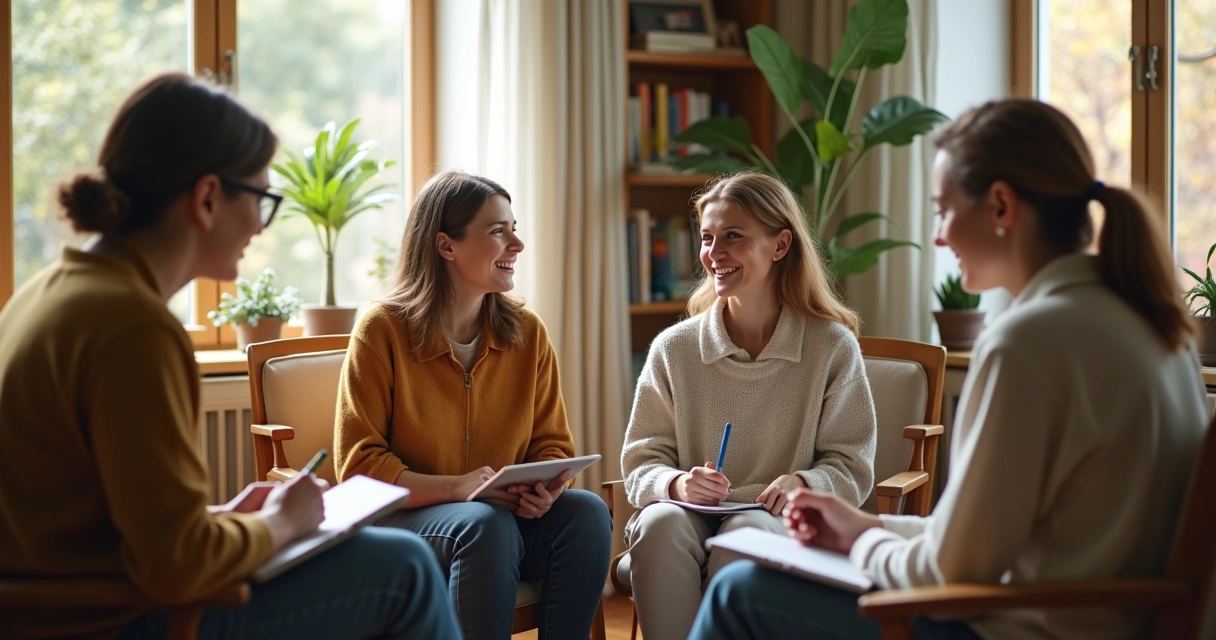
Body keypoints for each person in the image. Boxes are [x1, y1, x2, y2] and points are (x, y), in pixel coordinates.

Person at [688, 99, 1208, 640]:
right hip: (1096, 615)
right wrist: (871, 523)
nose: (938, 236)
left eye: (943, 209)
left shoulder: (1028, 344)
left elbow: (950, 573)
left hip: (1023, 628)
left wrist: (859, 544)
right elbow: (987, 538)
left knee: (738, 593)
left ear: (1002, 205)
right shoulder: (1150, 323)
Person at [0, 73, 460, 640]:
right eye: (263, 199)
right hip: (106, 622)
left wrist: (228, 518)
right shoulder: (132, 326)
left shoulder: (47, 293)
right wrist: (278, 523)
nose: (261, 228)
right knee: (404, 569)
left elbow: (92, 525)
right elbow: (177, 565)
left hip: (44, 606)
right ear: (208, 197)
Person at [332, 170, 613, 640]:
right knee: (484, 523)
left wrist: (545, 489)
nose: (517, 244)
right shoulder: (381, 330)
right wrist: (457, 488)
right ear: (446, 246)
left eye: (515, 227)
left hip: (499, 519)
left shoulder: (528, 333)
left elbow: (552, 445)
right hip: (405, 521)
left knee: (586, 514)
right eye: (498, 231)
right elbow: (360, 465)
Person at [620, 171, 878, 640]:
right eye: (707, 238)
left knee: (745, 532)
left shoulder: (831, 347)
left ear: (780, 246)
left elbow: (852, 466)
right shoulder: (673, 348)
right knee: (658, 523)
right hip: (685, 514)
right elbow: (640, 463)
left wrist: (805, 482)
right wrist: (677, 484)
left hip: (770, 518)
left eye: (732, 237)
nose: (713, 254)